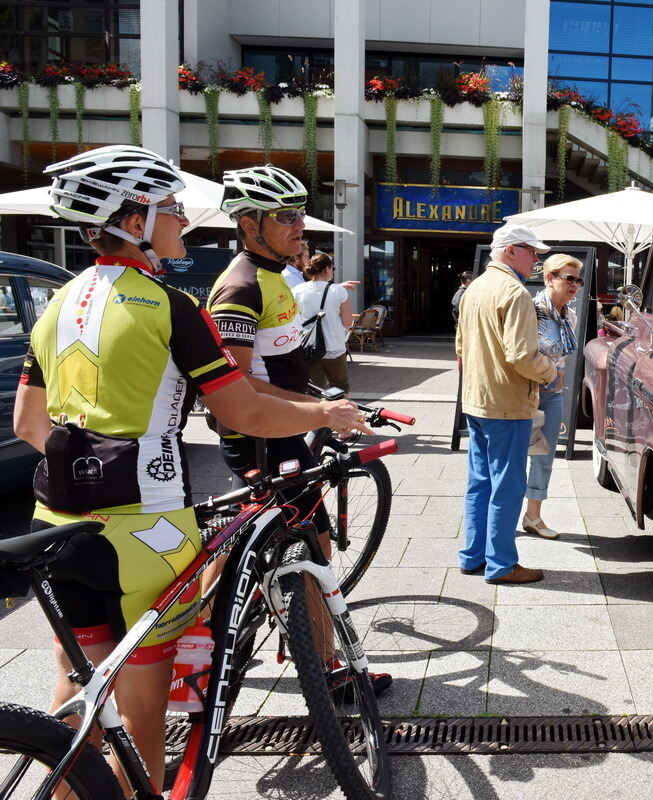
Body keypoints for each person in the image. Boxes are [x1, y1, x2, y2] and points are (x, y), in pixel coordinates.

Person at [12, 145, 368, 793]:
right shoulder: (173, 306)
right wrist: (326, 414)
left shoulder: (57, 301)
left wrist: (86, 470)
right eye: (171, 209)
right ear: (136, 221)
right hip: (144, 529)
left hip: (54, 518)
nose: (183, 220)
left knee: (78, 694)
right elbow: (244, 412)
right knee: (143, 709)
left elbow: (28, 425)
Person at [207, 164, 391, 699]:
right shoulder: (241, 287)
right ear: (249, 224)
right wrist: (321, 411)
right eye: (285, 216)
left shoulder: (276, 276)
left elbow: (280, 368)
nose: (299, 226)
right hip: (262, 436)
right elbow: (236, 386)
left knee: (256, 542)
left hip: (281, 429)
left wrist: (321, 402)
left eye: (300, 215)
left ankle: (211, 639)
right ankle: (325, 668)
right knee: (312, 545)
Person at [457, 224, 557, 584]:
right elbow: (521, 355)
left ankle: (473, 556)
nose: (536, 260)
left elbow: (460, 346)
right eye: (532, 252)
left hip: (477, 399)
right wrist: (550, 372)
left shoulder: (475, 288)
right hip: (507, 402)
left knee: (480, 481)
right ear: (511, 250)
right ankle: (500, 564)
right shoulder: (515, 292)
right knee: (508, 485)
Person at [520, 254, 582, 539]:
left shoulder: (570, 315)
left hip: (553, 394)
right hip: (526, 394)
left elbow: (562, 357)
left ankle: (533, 516)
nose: (575, 284)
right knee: (516, 457)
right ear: (549, 278)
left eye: (578, 280)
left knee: (544, 457)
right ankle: (503, 516)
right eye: (569, 278)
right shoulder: (530, 311)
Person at [294, 252, 352, 393]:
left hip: (309, 348)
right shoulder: (339, 291)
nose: (332, 271)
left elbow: (293, 320)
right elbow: (347, 322)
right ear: (327, 269)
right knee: (340, 387)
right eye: (333, 268)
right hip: (334, 347)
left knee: (314, 390)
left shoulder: (297, 290)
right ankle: (340, 408)